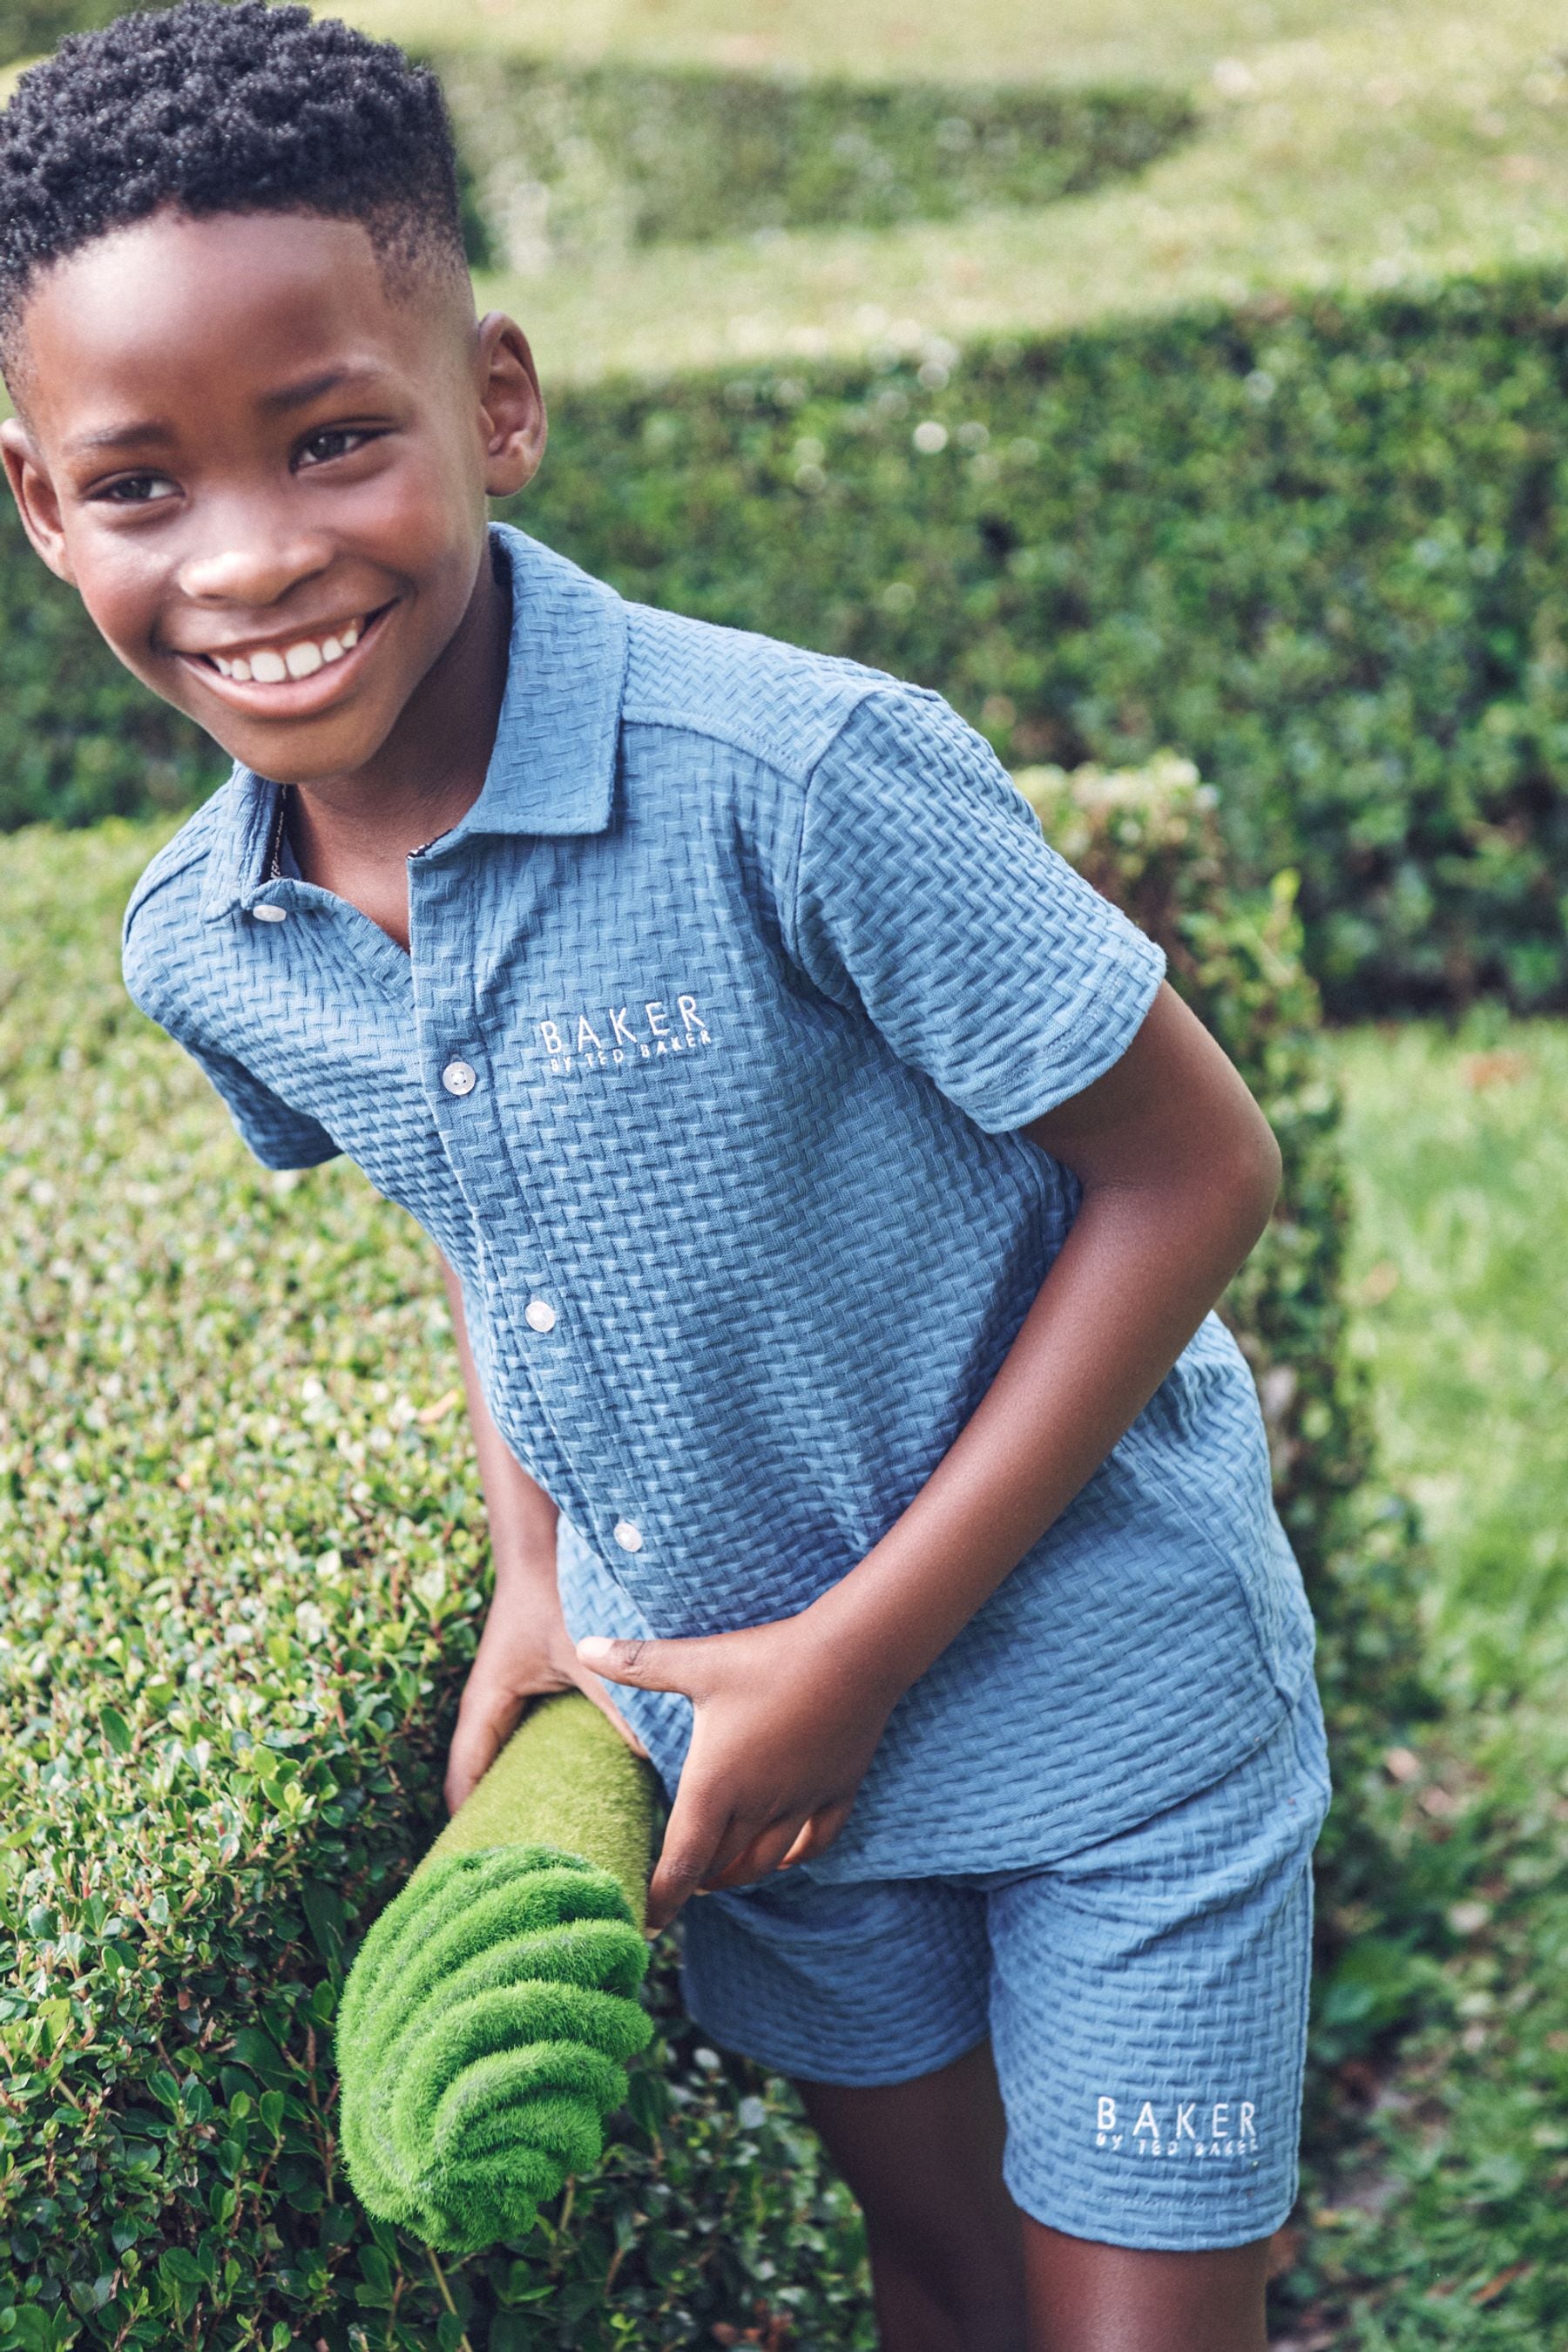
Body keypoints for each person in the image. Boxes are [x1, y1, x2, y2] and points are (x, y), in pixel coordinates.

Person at [0, 7, 1330, 2345]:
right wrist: (539, 1566)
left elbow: (1197, 1173)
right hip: (760, 1752)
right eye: (143, 488)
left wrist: (861, 1651)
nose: (251, 559)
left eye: (331, 440)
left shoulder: (801, 775)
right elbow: (481, 1196)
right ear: (38, 504)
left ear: (493, 401)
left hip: (1116, 1707)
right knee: (945, 2283)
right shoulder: (220, 946)